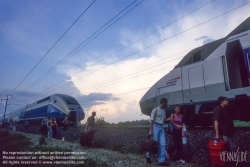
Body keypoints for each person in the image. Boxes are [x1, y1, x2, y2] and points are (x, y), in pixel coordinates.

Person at [146, 98, 170, 166]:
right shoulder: (155, 109)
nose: (167, 104)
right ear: (163, 102)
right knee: (153, 144)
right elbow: (151, 120)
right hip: (155, 127)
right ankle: (148, 155)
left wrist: (168, 119)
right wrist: (150, 130)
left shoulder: (164, 111)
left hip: (161, 127)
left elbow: (164, 120)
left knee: (163, 144)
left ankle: (161, 161)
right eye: (166, 103)